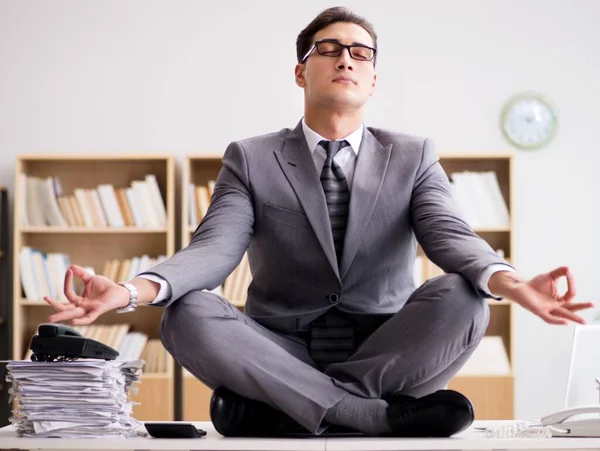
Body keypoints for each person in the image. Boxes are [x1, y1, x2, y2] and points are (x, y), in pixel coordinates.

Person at [44, 6, 593, 438]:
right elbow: (213, 250)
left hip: (390, 349)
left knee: (462, 296)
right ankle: (371, 417)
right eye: (328, 49)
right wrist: (129, 291)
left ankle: (290, 408)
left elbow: (451, 237)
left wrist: (517, 286)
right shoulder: (251, 157)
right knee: (186, 312)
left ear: (374, 78)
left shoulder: (414, 154)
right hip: (279, 347)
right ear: (302, 71)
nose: (345, 59)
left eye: (360, 52)